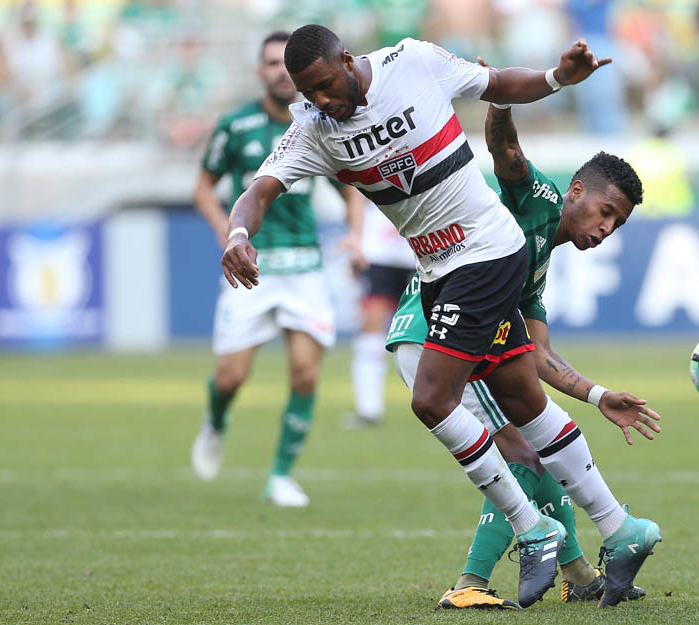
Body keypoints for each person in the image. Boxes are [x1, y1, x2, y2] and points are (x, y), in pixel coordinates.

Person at [221, 24, 662, 608]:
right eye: (310, 93)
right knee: (526, 403)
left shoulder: (412, 62)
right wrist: (237, 231)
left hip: (479, 258)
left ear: (346, 61)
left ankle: (533, 535)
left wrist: (557, 78)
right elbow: (258, 190)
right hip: (441, 276)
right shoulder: (312, 129)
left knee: (434, 401)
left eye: (327, 85)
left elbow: (498, 85)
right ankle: (619, 530)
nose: (323, 100)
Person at [386, 98, 656, 609]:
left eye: (616, 224)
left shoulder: (533, 267)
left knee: (534, 451)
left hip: (468, 343)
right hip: (436, 337)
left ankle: (579, 572)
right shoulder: (537, 198)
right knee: (523, 457)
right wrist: (500, 97)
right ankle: (472, 581)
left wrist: (597, 395)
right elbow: (504, 147)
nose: (604, 229)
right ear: (576, 191)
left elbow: (538, 354)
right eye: (605, 212)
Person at [190, 31, 362, 506]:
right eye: (269, 64)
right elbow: (203, 188)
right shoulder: (235, 126)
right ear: (259, 71)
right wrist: (228, 234)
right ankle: (216, 419)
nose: (277, 74)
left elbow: (351, 191)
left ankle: (281, 475)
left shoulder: (319, 124)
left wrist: (353, 234)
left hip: (304, 267)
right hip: (249, 269)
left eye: (284, 67)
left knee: (306, 375)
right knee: (230, 378)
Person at [343, 199, 416, 427]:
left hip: (420, 250)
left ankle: (453, 406)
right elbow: (354, 196)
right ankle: (369, 408)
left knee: (437, 330)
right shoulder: (366, 162)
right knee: (371, 327)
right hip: (378, 252)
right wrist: (357, 240)